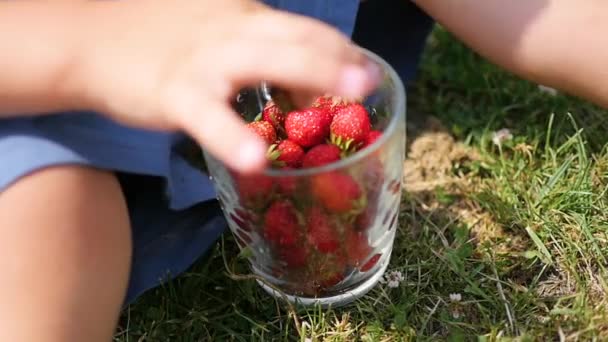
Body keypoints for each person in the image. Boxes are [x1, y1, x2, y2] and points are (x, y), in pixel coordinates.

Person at [1, 0, 605, 341]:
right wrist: (89, 49)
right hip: (46, 67)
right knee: (52, 212)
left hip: (266, 58)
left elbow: (543, 13)